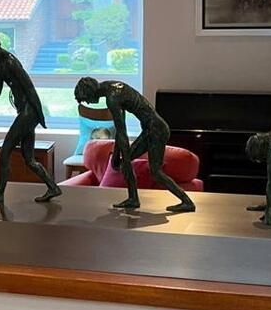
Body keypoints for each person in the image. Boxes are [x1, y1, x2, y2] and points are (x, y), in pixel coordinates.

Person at [73, 77, 195, 213]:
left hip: (156, 130)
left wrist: (124, 157)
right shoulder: (111, 87)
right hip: (151, 129)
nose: (88, 102)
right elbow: (121, 128)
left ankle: (187, 202)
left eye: (86, 99)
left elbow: (122, 132)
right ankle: (133, 199)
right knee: (124, 164)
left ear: (90, 92)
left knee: (155, 172)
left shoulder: (112, 98)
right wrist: (119, 155)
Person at [0, 32, 61, 203]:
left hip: (29, 112)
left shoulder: (9, 61)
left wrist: (39, 114)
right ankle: (53, 188)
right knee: (29, 159)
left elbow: (29, 87)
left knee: (5, 151)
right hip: (25, 112)